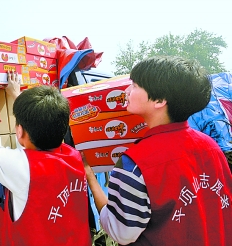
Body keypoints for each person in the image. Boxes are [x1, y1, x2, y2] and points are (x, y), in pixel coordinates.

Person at [84, 56, 232, 245]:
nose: (126, 91)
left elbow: (121, 232)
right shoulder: (212, 147)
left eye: (135, 85)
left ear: (160, 100)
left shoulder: (135, 163)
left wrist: (89, 176)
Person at [0, 71, 91, 245]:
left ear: (20, 131)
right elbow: (39, 126)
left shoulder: (24, 168)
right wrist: (17, 96)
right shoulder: (73, 156)